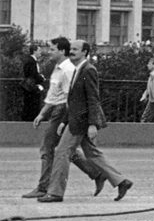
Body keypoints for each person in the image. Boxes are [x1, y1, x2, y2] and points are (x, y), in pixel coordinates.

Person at [39, 39, 133, 203]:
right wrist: (64, 121)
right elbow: (74, 100)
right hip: (76, 119)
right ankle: (121, 181)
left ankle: (55, 193)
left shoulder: (89, 70)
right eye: (71, 48)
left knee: (62, 152)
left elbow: (92, 99)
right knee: (92, 153)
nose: (72, 51)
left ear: (85, 52)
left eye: (75, 49)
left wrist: (92, 124)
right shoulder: (77, 69)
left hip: (81, 122)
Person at [22, 37, 106, 199]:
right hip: (58, 110)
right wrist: (43, 113)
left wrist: (64, 120)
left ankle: (44, 187)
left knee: (49, 148)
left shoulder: (68, 69)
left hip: (62, 111)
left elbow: (71, 98)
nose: (49, 52)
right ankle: (97, 173)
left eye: (52, 49)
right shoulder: (60, 67)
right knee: (66, 150)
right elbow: (53, 94)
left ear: (62, 51)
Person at [21, 43, 46, 121]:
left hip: (30, 87)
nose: (40, 52)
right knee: (32, 105)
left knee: (29, 105)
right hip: (31, 88)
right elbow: (33, 74)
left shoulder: (30, 60)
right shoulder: (31, 61)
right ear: (34, 51)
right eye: (39, 50)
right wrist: (41, 78)